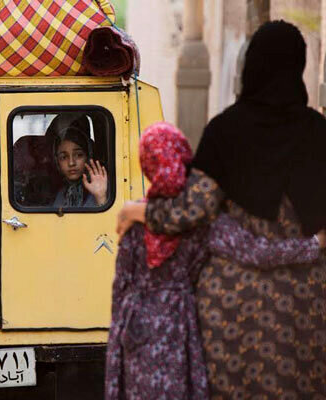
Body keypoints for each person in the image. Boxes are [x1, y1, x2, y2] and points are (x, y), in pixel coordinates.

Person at [116, 21, 326, 398]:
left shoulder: (226, 130)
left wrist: (138, 211)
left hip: (232, 305)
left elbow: (189, 211)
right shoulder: (318, 133)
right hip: (304, 303)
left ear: (251, 67)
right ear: (298, 67)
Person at [51, 120, 108, 208]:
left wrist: (100, 197)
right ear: (57, 161)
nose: (71, 163)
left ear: (88, 157)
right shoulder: (61, 194)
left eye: (79, 155)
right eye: (64, 157)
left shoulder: (101, 187)